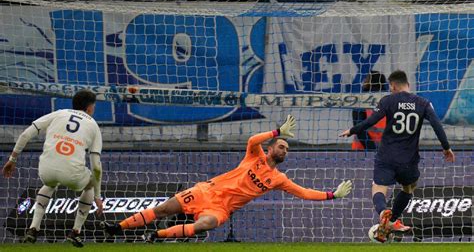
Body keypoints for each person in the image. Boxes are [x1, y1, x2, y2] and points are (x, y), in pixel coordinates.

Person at [101, 115, 353, 242]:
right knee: (164, 207)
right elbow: (252, 140)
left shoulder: (278, 179)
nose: (284, 150)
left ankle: (158, 236)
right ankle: (117, 228)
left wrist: (332, 195)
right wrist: (276, 131)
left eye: (287, 149)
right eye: (281, 146)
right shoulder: (255, 156)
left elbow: (304, 192)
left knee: (205, 225)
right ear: (271, 148)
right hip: (205, 191)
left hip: (221, 208)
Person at [340, 70, 455, 242]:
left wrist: (352, 130)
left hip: (386, 156)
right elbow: (437, 125)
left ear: (393, 85)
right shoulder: (423, 103)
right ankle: (392, 220)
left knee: (378, 187)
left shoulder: (388, 100)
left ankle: (382, 213)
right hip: (408, 159)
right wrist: (446, 148)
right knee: (409, 188)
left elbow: (369, 122)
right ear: (407, 84)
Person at [2, 90, 104, 247]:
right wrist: (97, 195)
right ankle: (75, 232)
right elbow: (96, 166)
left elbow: (25, 135)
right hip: (73, 174)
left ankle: (33, 229)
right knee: (89, 185)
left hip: (46, 170)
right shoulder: (93, 125)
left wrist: (12, 160)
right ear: (90, 108)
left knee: (49, 184)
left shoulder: (59, 113)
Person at [352, 71, 388, 150]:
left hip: (362, 149)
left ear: (370, 82)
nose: (364, 81)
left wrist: (372, 149)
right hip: (385, 149)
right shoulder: (389, 99)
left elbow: (359, 129)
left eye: (366, 79)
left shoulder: (360, 100)